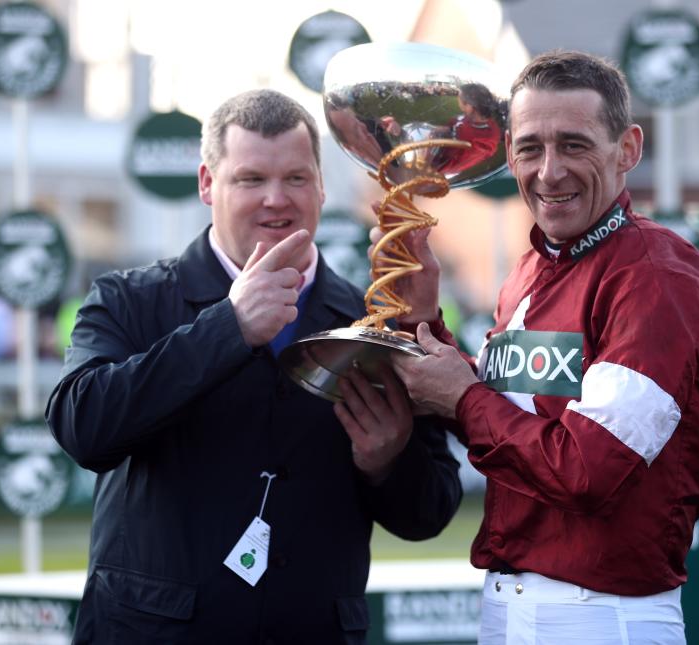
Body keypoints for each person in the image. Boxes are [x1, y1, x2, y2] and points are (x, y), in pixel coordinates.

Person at [45, 89, 461, 644]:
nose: (276, 200)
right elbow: (83, 428)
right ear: (206, 183)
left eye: (295, 178)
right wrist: (228, 326)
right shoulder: (129, 300)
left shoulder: (372, 320)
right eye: (250, 179)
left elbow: (428, 513)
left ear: (319, 186)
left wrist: (387, 463)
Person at [389, 50, 699, 644]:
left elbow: (587, 469)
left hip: (601, 614)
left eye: (574, 145)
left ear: (627, 149)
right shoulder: (530, 267)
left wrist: (464, 396)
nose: (549, 171)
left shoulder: (657, 277)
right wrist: (424, 320)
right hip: (508, 605)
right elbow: (513, 422)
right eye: (530, 148)